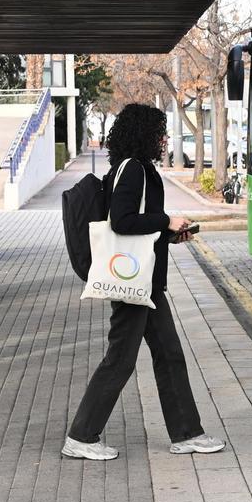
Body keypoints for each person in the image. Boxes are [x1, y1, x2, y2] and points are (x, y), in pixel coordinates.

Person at [62, 104, 224, 461]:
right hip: (133, 283)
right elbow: (122, 221)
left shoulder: (140, 167)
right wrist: (166, 221)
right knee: (121, 359)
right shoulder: (133, 169)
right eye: (159, 132)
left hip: (145, 282)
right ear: (143, 134)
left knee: (169, 354)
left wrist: (170, 234)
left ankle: (187, 434)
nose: (164, 138)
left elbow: (139, 225)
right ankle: (81, 436)